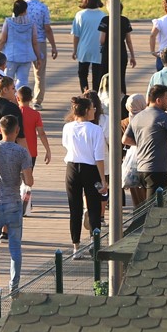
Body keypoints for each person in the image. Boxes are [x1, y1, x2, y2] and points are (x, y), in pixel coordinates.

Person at [0, 112, 35, 299]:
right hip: (13, 204)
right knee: (15, 247)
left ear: (0, 129)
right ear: (17, 131)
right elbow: (29, 180)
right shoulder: (21, 152)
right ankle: (14, 286)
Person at [60, 95, 106, 252]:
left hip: (72, 167)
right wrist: (103, 180)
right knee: (93, 207)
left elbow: (65, 145)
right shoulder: (96, 129)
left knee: (75, 208)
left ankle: (76, 246)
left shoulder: (68, 127)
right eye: (92, 108)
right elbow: (99, 157)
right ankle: (95, 242)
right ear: (87, 111)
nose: (94, 111)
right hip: (90, 169)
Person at [24, 0, 56, 108]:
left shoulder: (22, 5)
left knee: (23, 71)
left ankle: (23, 98)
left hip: (24, 42)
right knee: (39, 73)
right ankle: (37, 100)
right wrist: (53, 45)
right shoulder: (43, 7)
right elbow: (47, 28)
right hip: (40, 41)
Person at [0, 0, 41, 91]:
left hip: (10, 57)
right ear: (25, 10)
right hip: (26, 57)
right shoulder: (31, 23)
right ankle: (20, 101)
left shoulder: (9, 22)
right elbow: (35, 42)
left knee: (7, 81)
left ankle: (8, 100)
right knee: (23, 82)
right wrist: (38, 57)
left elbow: (3, 40)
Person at [70, 0, 106, 92]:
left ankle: (85, 93)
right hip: (98, 49)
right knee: (97, 75)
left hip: (84, 49)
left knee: (82, 74)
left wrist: (74, 50)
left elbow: (76, 35)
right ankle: (96, 96)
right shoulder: (103, 15)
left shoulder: (80, 15)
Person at [98, 1, 136, 95]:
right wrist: (132, 56)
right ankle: (122, 100)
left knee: (105, 76)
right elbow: (129, 40)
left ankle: (105, 97)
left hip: (108, 51)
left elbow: (102, 40)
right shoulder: (125, 20)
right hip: (121, 51)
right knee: (121, 77)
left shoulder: (105, 20)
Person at [17, 85, 51, 166]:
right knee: (28, 176)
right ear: (31, 99)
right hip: (31, 151)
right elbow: (41, 133)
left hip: (16, 149)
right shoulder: (35, 114)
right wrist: (48, 150)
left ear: (17, 98)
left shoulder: (14, 112)